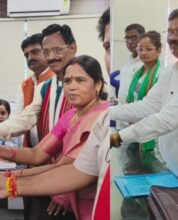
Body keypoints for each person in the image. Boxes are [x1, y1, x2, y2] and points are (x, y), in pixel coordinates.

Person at [0, 7, 111, 220]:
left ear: (97, 85)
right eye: (68, 81)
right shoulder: (50, 93)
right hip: (51, 180)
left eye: (80, 81)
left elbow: (70, 169)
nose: (51, 57)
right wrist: (9, 175)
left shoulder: (101, 113)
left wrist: (11, 182)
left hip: (78, 195)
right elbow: (35, 149)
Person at [110, 8, 178, 196]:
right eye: (170, 31)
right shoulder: (173, 71)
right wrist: (105, 113)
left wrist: (118, 137)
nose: (173, 37)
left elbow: (168, 118)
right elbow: (147, 105)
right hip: (173, 172)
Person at [15, 33, 54, 148]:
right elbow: (18, 118)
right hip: (31, 151)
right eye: (26, 55)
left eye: (35, 52)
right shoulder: (24, 85)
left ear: (47, 52)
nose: (30, 58)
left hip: (55, 151)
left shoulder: (58, 79)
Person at [116, 23, 145, 130]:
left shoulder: (145, 63)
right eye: (127, 38)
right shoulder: (126, 63)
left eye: (134, 38)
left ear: (143, 38)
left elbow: (143, 92)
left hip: (136, 122)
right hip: (121, 120)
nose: (129, 42)